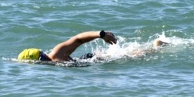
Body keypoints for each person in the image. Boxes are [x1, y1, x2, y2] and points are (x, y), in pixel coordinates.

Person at [18, 30, 167, 62]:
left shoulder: (56, 54)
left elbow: (78, 39)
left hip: (90, 60)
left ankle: (156, 47)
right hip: (84, 62)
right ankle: (155, 47)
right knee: (127, 55)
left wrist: (101, 34)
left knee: (132, 56)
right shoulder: (51, 62)